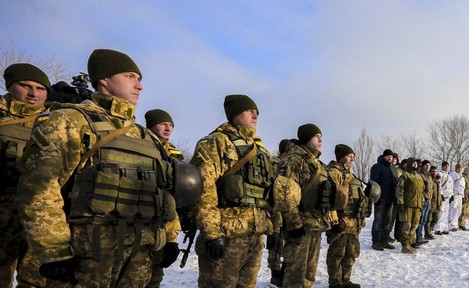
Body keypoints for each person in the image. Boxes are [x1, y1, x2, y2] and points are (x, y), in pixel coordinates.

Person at [18, 49, 180, 286]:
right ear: (104, 79)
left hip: (140, 256)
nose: (139, 85)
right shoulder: (70, 122)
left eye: (139, 79)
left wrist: (171, 237)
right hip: (87, 254)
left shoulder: (147, 138)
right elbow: (40, 186)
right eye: (130, 76)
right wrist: (53, 249)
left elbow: (162, 192)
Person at [190, 94, 287, 287]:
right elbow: (204, 188)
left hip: (255, 235)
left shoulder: (260, 150)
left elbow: (270, 192)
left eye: (257, 112)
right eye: (249, 110)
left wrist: (275, 228)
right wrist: (212, 233)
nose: (255, 114)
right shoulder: (216, 142)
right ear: (235, 114)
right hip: (226, 235)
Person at [278, 124, 348, 288]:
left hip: (316, 223)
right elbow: (285, 194)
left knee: (309, 275)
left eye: (321, 135)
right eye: (316, 136)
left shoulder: (317, 164)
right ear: (306, 138)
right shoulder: (294, 160)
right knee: (295, 275)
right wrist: (294, 224)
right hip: (300, 226)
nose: (320, 139)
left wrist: (332, 220)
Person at [0, 63, 50, 288]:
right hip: (3, 211)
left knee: (37, 281)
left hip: (40, 217)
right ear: (10, 86)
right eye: (25, 86)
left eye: (40, 88)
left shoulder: (56, 123)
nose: (33, 94)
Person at [144, 109, 184, 288]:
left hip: (166, 221)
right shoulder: (141, 146)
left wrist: (172, 238)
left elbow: (173, 196)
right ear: (151, 125)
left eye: (171, 125)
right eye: (163, 124)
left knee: (155, 276)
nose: (168, 128)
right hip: (142, 220)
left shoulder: (175, 154)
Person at [326, 144, 367, 288]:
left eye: (353, 157)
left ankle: (345, 279)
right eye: (350, 156)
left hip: (353, 222)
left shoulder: (352, 176)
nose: (352, 159)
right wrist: (334, 221)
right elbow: (329, 199)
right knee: (337, 253)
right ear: (341, 156)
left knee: (351, 253)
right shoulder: (333, 173)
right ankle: (335, 282)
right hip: (340, 221)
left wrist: (361, 219)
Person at [267, 138, 291, 287]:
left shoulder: (273, 162)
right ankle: (278, 273)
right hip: (283, 209)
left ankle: (276, 273)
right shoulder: (283, 163)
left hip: (275, 208)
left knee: (276, 243)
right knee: (281, 243)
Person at [369, 149, 397, 250]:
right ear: (384, 156)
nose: (390, 158)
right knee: (378, 220)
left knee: (387, 221)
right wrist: (376, 197)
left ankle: (384, 241)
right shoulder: (377, 167)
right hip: (381, 198)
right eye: (388, 156)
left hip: (390, 198)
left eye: (392, 156)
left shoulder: (393, 168)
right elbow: (373, 183)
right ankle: (376, 242)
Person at [395, 157, 424, 253]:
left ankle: (409, 243)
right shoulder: (405, 175)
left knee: (414, 226)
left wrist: (422, 204)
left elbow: (422, 191)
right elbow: (400, 190)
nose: (415, 165)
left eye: (416, 164)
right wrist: (400, 202)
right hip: (408, 204)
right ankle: (404, 245)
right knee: (407, 225)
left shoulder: (419, 177)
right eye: (413, 163)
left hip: (417, 205)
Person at [415, 160, 432, 246]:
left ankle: (420, 237)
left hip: (428, 200)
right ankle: (417, 237)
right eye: (426, 165)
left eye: (429, 165)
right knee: (420, 220)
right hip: (423, 200)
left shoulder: (429, 176)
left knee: (424, 220)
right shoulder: (421, 175)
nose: (428, 167)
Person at [434, 161, 453, 235]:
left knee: (445, 213)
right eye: (445, 166)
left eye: (448, 166)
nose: (447, 167)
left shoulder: (449, 176)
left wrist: (452, 195)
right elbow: (438, 185)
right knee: (441, 212)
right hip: (442, 197)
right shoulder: (440, 174)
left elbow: (451, 187)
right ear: (443, 166)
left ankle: (442, 228)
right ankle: (438, 229)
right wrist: (441, 194)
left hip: (448, 197)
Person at [425, 166, 442, 240]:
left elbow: (439, 193)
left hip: (437, 204)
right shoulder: (430, 180)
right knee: (428, 220)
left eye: (435, 171)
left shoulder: (438, 180)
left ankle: (429, 230)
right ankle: (427, 233)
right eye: (433, 171)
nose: (434, 173)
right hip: (431, 203)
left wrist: (440, 202)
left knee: (436, 219)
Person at [448, 163, 465, 231]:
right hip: (454, 194)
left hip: (460, 195)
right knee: (453, 209)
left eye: (461, 168)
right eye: (458, 168)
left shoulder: (462, 177)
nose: (460, 169)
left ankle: (455, 224)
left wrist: (463, 195)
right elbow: (450, 185)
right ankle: (451, 225)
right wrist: (451, 194)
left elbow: (463, 187)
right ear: (456, 168)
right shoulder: (452, 175)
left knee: (459, 210)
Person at [458, 167, 469, 231]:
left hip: (468, 198)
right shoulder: (463, 178)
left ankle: (463, 224)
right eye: (467, 171)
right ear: (464, 171)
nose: (468, 172)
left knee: (466, 212)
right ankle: (460, 224)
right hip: (464, 198)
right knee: (462, 212)